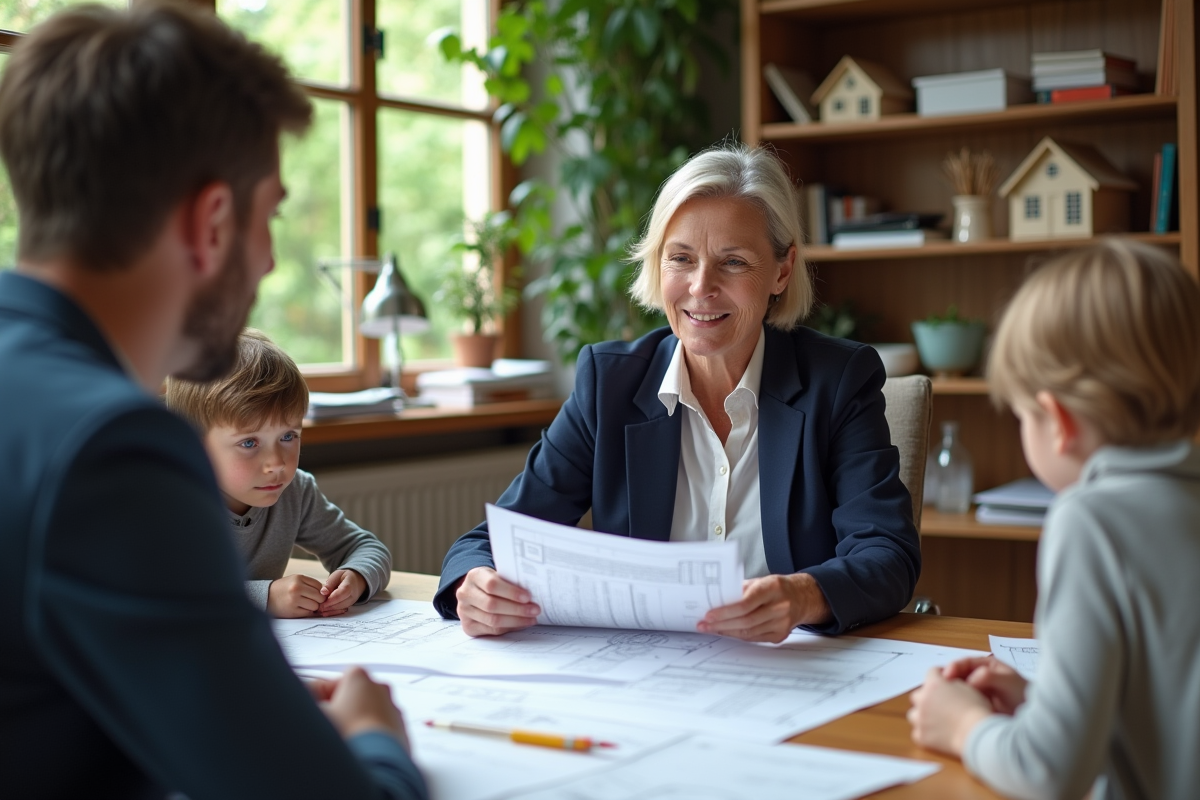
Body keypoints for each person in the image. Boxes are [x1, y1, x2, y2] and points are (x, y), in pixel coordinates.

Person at [0, 4, 426, 798]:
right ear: (212, 221)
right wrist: (376, 741)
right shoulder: (110, 449)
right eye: (270, 217)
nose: (267, 258)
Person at [436, 143, 921, 641]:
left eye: (732, 262)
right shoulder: (610, 385)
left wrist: (803, 594)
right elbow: (488, 542)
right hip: (645, 676)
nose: (699, 287)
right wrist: (473, 585)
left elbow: (887, 553)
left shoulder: (837, 381)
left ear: (781, 270)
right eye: (681, 258)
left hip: (789, 670)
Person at [907, 239, 1200, 800]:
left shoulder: (1092, 520)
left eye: (1021, 415)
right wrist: (1043, 704)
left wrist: (963, 725)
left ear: (1059, 422)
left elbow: (1049, 774)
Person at [166, 329, 392, 618]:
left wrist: (356, 577)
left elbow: (365, 547)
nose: (276, 463)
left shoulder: (295, 491)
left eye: (288, 436)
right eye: (249, 442)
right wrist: (266, 597)